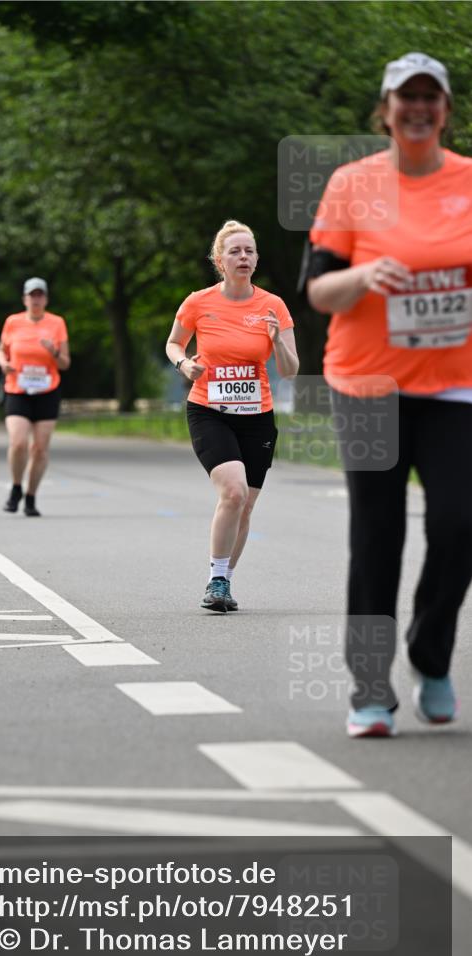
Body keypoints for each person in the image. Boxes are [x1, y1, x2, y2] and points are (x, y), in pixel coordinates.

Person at [307, 53, 472, 737]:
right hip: (367, 383)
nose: (417, 108)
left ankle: (429, 657)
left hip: (456, 387)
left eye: (429, 97)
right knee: (377, 534)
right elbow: (316, 292)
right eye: (405, 97)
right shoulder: (352, 185)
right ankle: (369, 690)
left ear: (445, 109)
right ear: (384, 109)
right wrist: (364, 275)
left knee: (460, 525)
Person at [166, 220, 299, 612]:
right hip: (209, 410)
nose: (244, 257)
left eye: (250, 251)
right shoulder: (198, 302)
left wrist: (277, 342)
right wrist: (183, 365)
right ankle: (218, 580)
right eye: (236, 251)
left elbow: (290, 369)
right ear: (219, 260)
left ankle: (221, 580)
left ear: (256, 259)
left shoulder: (273, 305)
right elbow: (174, 343)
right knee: (234, 491)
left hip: (257, 416)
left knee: (246, 505)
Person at [0, 277, 70, 516]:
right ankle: (16, 487)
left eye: (40, 295)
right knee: (18, 443)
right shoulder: (13, 322)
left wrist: (53, 351)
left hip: (47, 391)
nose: (36, 299)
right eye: (32, 295)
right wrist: (3, 363)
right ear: (25, 298)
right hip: (17, 389)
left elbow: (65, 363)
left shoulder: (57, 323)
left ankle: (30, 496)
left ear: (45, 299)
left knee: (39, 448)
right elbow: (0, 350)